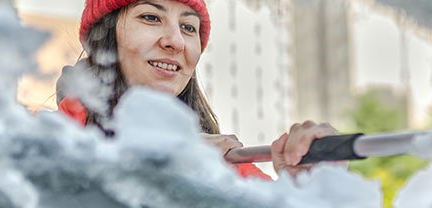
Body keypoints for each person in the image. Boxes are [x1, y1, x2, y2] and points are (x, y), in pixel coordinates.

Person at [56, 0, 338, 180]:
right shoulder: (50, 145)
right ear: (105, 37)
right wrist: (163, 166)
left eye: (189, 27)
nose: (176, 41)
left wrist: (309, 196)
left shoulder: (222, 166)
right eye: (151, 17)